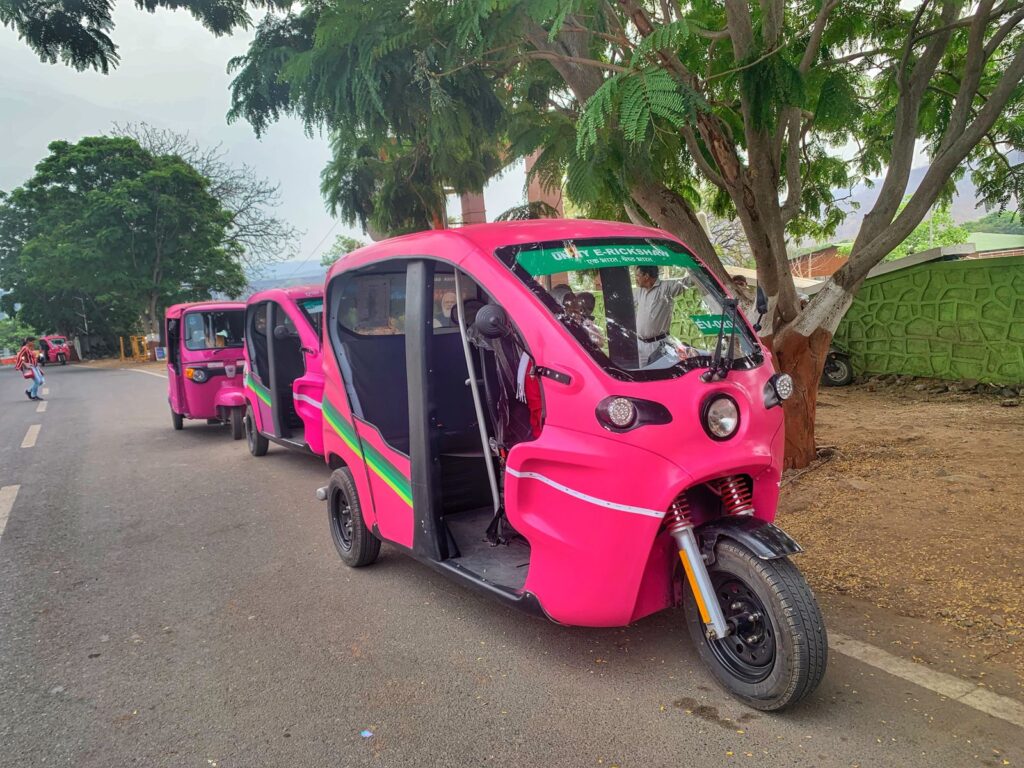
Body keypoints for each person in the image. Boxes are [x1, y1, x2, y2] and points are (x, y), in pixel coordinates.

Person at [633, 265, 690, 364]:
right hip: (640, 345)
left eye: (637, 275)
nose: (636, 278)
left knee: (658, 374)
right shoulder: (639, 291)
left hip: (658, 345)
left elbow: (688, 281)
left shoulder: (666, 287)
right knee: (643, 376)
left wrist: (691, 264)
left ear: (646, 276)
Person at [14, 337, 45, 401]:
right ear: (28, 342)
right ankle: (34, 395)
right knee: (38, 381)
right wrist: (25, 364)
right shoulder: (24, 348)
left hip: (35, 366)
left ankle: (28, 391)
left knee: (41, 381)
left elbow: (33, 357)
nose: (33, 343)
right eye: (32, 341)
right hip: (31, 367)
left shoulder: (30, 348)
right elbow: (19, 357)